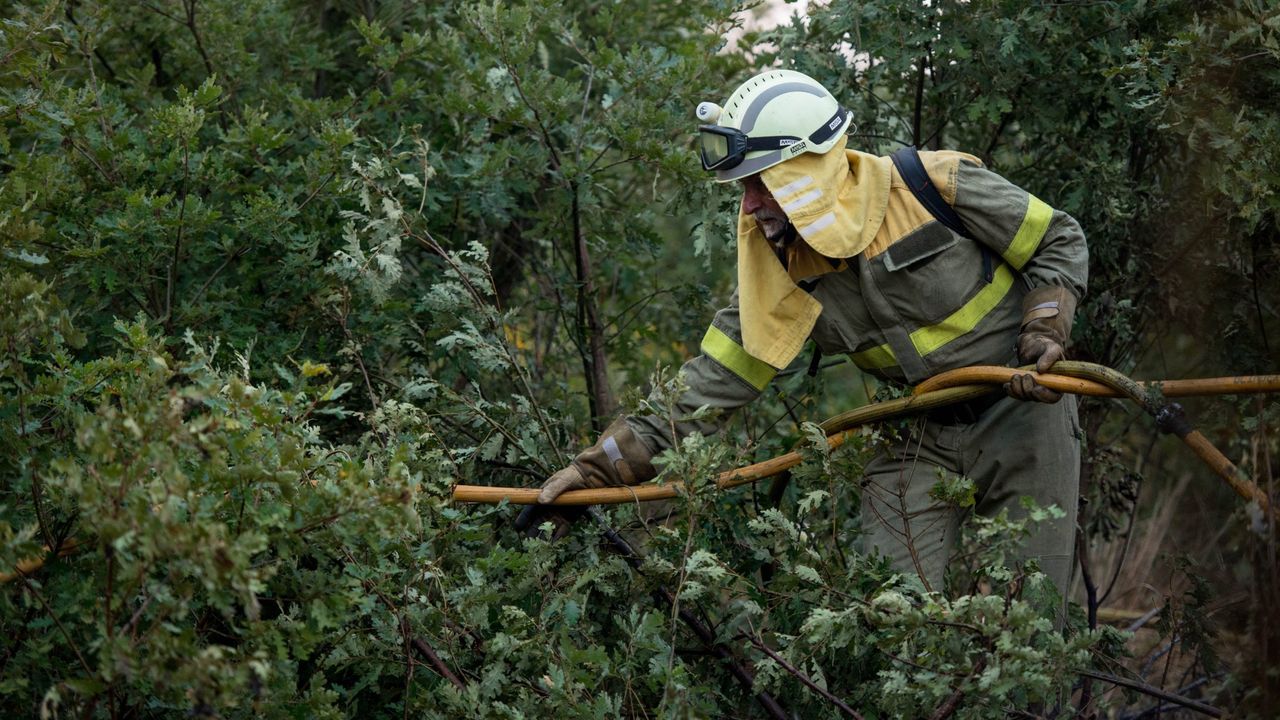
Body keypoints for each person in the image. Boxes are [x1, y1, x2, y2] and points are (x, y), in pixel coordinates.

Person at [532, 69, 1087, 597]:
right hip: (920, 430)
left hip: (1024, 411)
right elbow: (713, 381)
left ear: (807, 173)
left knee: (1033, 615)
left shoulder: (931, 185)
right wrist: (597, 470)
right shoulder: (780, 262)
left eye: (761, 184)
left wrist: (1043, 329)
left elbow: (1056, 238)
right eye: (743, 187)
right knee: (892, 613)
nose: (749, 205)